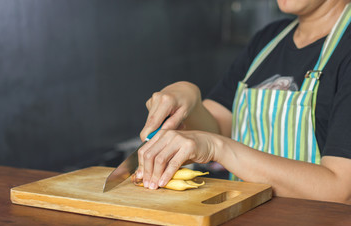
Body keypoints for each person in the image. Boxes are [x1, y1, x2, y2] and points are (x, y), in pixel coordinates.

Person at [135, 0, 351, 204]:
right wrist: (189, 100)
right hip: (244, 222)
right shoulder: (267, 40)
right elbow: (217, 127)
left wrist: (218, 147)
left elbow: (341, 191)